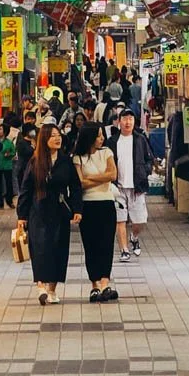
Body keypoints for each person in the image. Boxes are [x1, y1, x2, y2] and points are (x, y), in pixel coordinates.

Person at [17, 123, 83, 305]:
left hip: (60, 211)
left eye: (59, 135)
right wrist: (21, 216)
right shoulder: (35, 161)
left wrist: (77, 209)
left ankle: (52, 289)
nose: (57, 138)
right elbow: (25, 189)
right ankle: (40, 286)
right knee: (40, 249)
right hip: (38, 211)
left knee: (59, 249)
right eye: (53, 135)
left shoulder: (65, 161)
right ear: (44, 139)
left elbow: (76, 187)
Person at [73, 122, 119, 303]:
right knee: (90, 246)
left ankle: (105, 283)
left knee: (106, 244)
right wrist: (102, 179)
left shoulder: (106, 152)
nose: (102, 139)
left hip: (106, 203)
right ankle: (94, 285)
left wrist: (90, 178)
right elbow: (80, 183)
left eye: (102, 135)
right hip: (87, 205)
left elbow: (113, 175)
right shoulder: (78, 157)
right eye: (99, 136)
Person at [109, 108, 153, 261]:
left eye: (131, 119)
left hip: (137, 187)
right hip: (117, 188)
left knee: (140, 220)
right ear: (119, 121)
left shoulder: (140, 139)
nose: (128, 122)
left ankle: (134, 237)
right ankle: (124, 250)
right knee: (119, 219)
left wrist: (145, 171)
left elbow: (149, 159)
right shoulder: (112, 142)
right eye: (125, 119)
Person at [0, 124, 18, 209]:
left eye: (1, 129)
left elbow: (13, 152)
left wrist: (9, 154)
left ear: (5, 131)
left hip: (7, 165)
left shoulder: (9, 142)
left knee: (9, 184)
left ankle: (9, 201)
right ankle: (0, 203)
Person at [14, 121, 37, 192]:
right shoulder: (22, 142)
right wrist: (33, 148)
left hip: (34, 167)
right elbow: (27, 153)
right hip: (24, 168)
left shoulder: (34, 141)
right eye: (31, 130)